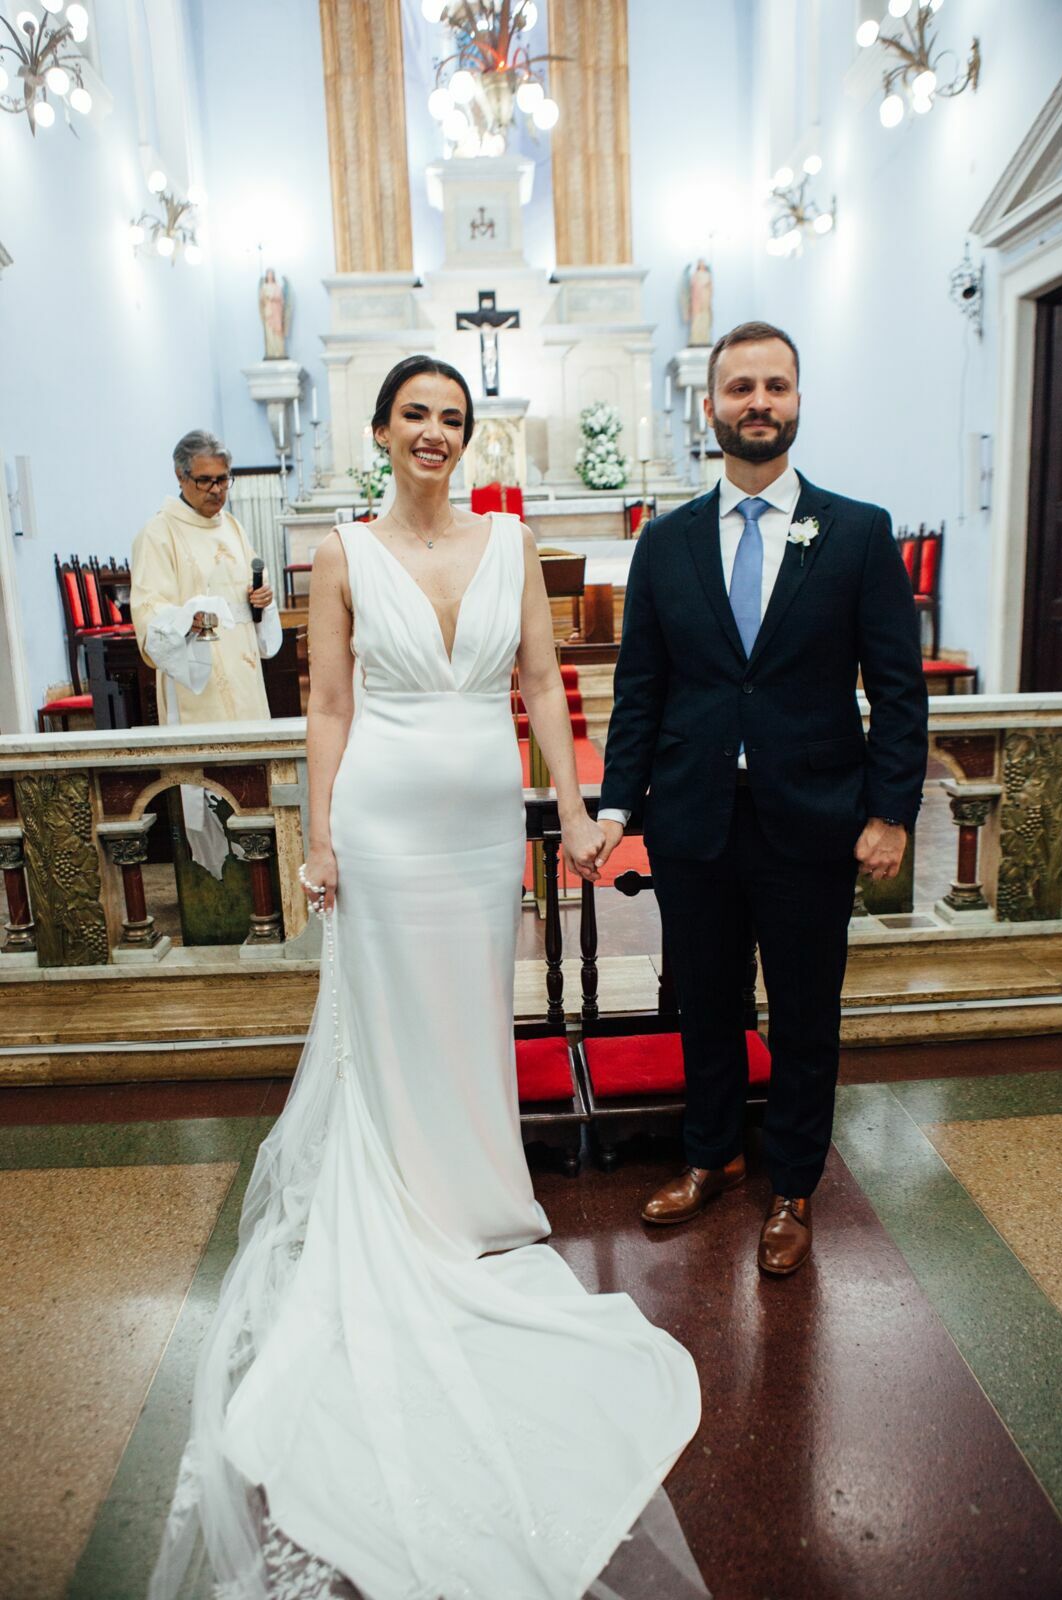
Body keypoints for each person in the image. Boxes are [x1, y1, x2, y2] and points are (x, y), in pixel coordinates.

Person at [150, 357, 706, 1600]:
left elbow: (541, 694)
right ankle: (404, 1215)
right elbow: (331, 701)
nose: (436, 435)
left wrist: (569, 807)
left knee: (465, 1020)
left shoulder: (506, 546)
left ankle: (471, 1199)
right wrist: (321, 829)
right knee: (391, 1031)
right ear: (381, 429)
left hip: (474, 833)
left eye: (453, 419)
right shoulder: (342, 552)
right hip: (389, 825)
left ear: (472, 436)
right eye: (416, 416)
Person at [597, 321, 927, 1277]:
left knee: (803, 1009)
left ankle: (791, 1184)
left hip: (812, 815)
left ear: (796, 401)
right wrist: (619, 806)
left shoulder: (858, 531)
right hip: (695, 815)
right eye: (739, 387)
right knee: (703, 1000)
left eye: (774, 386)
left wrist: (890, 811)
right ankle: (710, 1155)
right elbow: (640, 691)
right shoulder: (663, 545)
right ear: (710, 406)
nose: (757, 403)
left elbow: (897, 689)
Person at [131, 429, 281, 875]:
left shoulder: (232, 525)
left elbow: (249, 591)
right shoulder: (158, 534)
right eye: (205, 481)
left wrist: (260, 601)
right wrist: (189, 620)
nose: (217, 490)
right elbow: (149, 612)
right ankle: (217, 881)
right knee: (210, 778)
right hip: (198, 676)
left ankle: (262, 873)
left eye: (224, 479)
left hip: (242, 672)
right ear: (180, 477)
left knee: (253, 777)